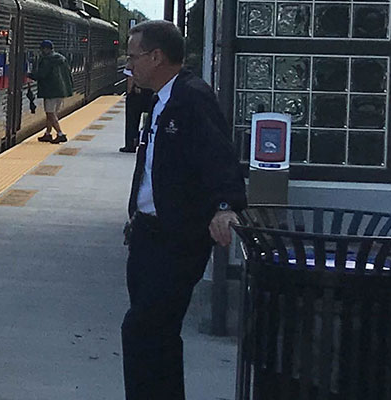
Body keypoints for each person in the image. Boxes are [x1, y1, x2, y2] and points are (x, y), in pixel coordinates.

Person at [119, 20, 247, 400]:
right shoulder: (160, 99)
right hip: (146, 236)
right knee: (157, 335)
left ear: (156, 56)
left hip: (175, 240)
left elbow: (219, 157)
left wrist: (225, 206)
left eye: (133, 56)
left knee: (141, 329)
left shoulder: (192, 98)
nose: (129, 64)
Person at [29, 40, 73, 144]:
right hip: (61, 91)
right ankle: (48, 134)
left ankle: (60, 134)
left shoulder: (47, 60)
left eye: (42, 49)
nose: (41, 51)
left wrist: (30, 75)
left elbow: (41, 75)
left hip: (50, 91)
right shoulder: (62, 59)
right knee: (52, 113)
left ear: (46, 49)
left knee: (50, 114)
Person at [121, 69, 153, 153]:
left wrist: (129, 92)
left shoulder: (134, 62)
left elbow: (130, 78)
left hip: (136, 94)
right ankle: (146, 143)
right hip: (151, 93)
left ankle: (131, 144)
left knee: (132, 121)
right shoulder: (154, 62)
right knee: (151, 120)